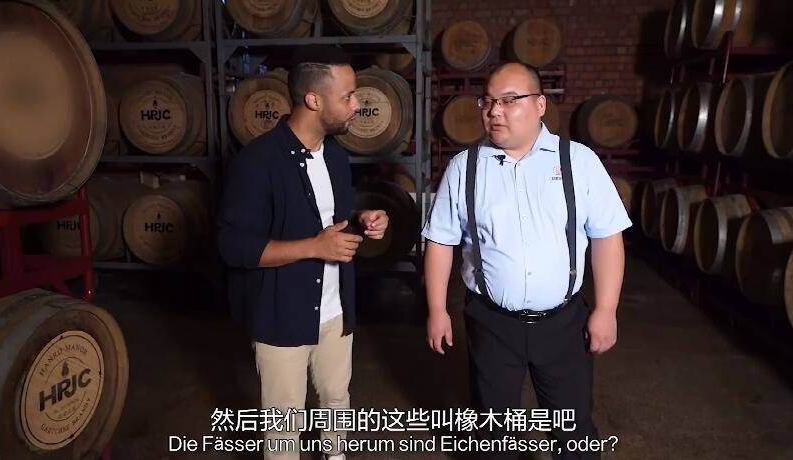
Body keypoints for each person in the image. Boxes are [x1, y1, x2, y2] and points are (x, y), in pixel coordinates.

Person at [422, 62, 630, 460]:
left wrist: (606, 310)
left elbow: (607, 237)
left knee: (574, 433)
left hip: (563, 324)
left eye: (509, 101)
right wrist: (436, 309)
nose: (494, 111)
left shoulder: (578, 161)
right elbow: (440, 241)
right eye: (488, 101)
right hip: (492, 322)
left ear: (539, 105)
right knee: (493, 434)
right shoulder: (464, 167)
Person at [217, 45, 389, 460]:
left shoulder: (336, 155)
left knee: (336, 398)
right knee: (283, 423)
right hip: (282, 313)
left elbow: (333, 218)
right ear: (314, 100)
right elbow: (234, 246)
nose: (356, 104)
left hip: (336, 309)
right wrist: (314, 246)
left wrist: (362, 219)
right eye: (347, 96)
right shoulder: (257, 162)